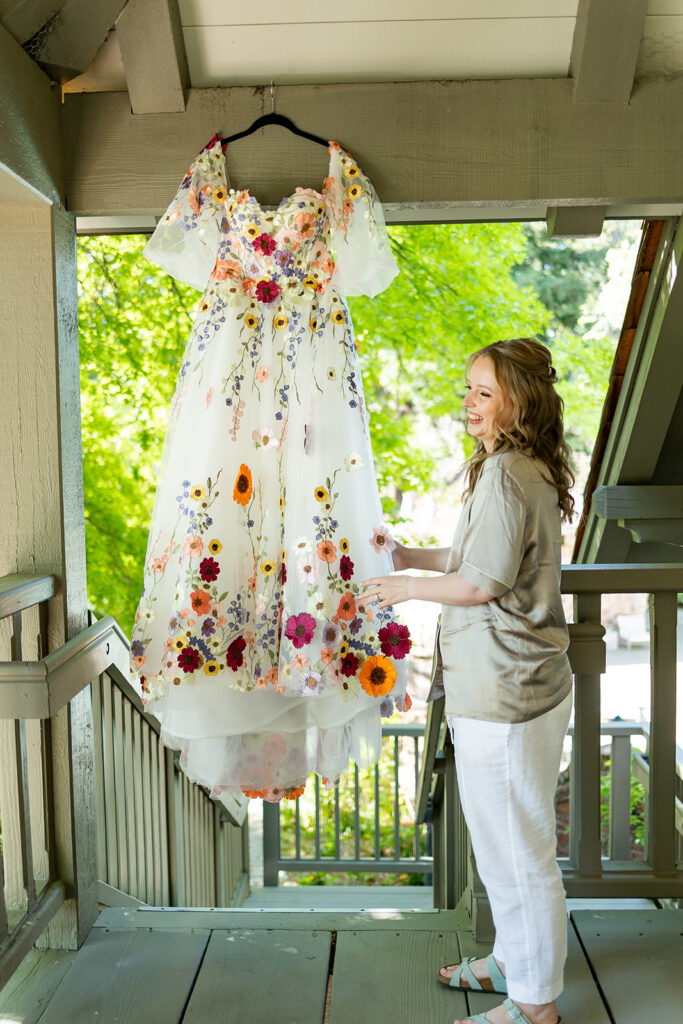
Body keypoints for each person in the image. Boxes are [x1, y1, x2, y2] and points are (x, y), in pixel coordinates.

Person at [361, 338, 575, 1024]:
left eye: (483, 393)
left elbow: (480, 581)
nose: (467, 405)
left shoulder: (509, 473)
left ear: (519, 401)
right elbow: (477, 554)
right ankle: (514, 963)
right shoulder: (519, 466)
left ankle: (535, 1006)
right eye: (467, 391)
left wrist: (406, 585)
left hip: (507, 692)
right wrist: (412, 554)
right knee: (504, 843)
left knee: (518, 853)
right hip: (516, 684)